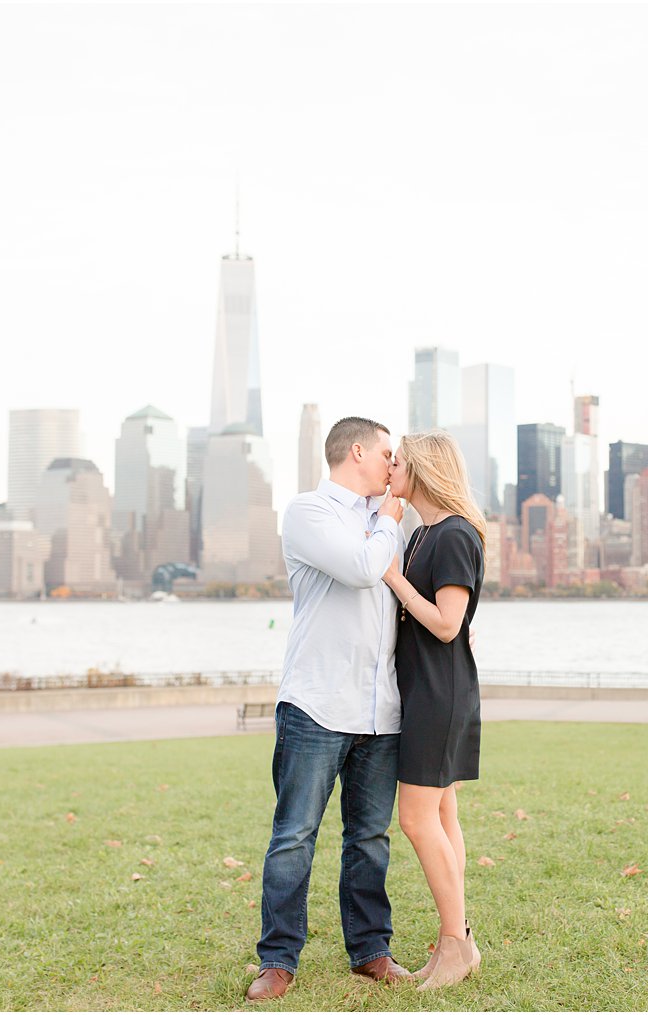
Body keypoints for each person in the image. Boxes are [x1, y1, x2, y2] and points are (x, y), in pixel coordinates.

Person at [245, 416, 414, 1003]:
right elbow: (363, 569)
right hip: (316, 704)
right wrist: (390, 520)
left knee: (370, 837)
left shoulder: (385, 520)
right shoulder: (309, 513)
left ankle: (371, 951)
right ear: (359, 452)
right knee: (294, 836)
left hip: (379, 711)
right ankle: (277, 959)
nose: (394, 465)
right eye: (387, 453)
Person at [379, 429, 487, 990]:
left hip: (438, 695)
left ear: (421, 468)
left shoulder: (454, 535)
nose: (389, 467)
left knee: (418, 819)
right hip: (430, 690)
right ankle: (457, 938)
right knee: (442, 816)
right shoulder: (424, 533)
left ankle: (455, 945)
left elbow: (448, 624)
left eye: (397, 460)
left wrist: (394, 579)